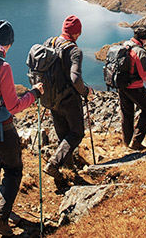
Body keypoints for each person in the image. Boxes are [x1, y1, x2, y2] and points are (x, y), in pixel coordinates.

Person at [0, 19, 43, 236]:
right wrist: (34, 94)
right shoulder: (2, 67)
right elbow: (13, 106)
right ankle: (0, 219)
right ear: (9, 44)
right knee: (13, 170)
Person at [42, 15, 93, 180]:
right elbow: (75, 79)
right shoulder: (74, 50)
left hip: (52, 99)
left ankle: (69, 170)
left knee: (64, 135)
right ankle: (54, 164)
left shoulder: (49, 42)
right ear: (77, 32)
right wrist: (86, 92)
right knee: (77, 133)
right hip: (68, 100)